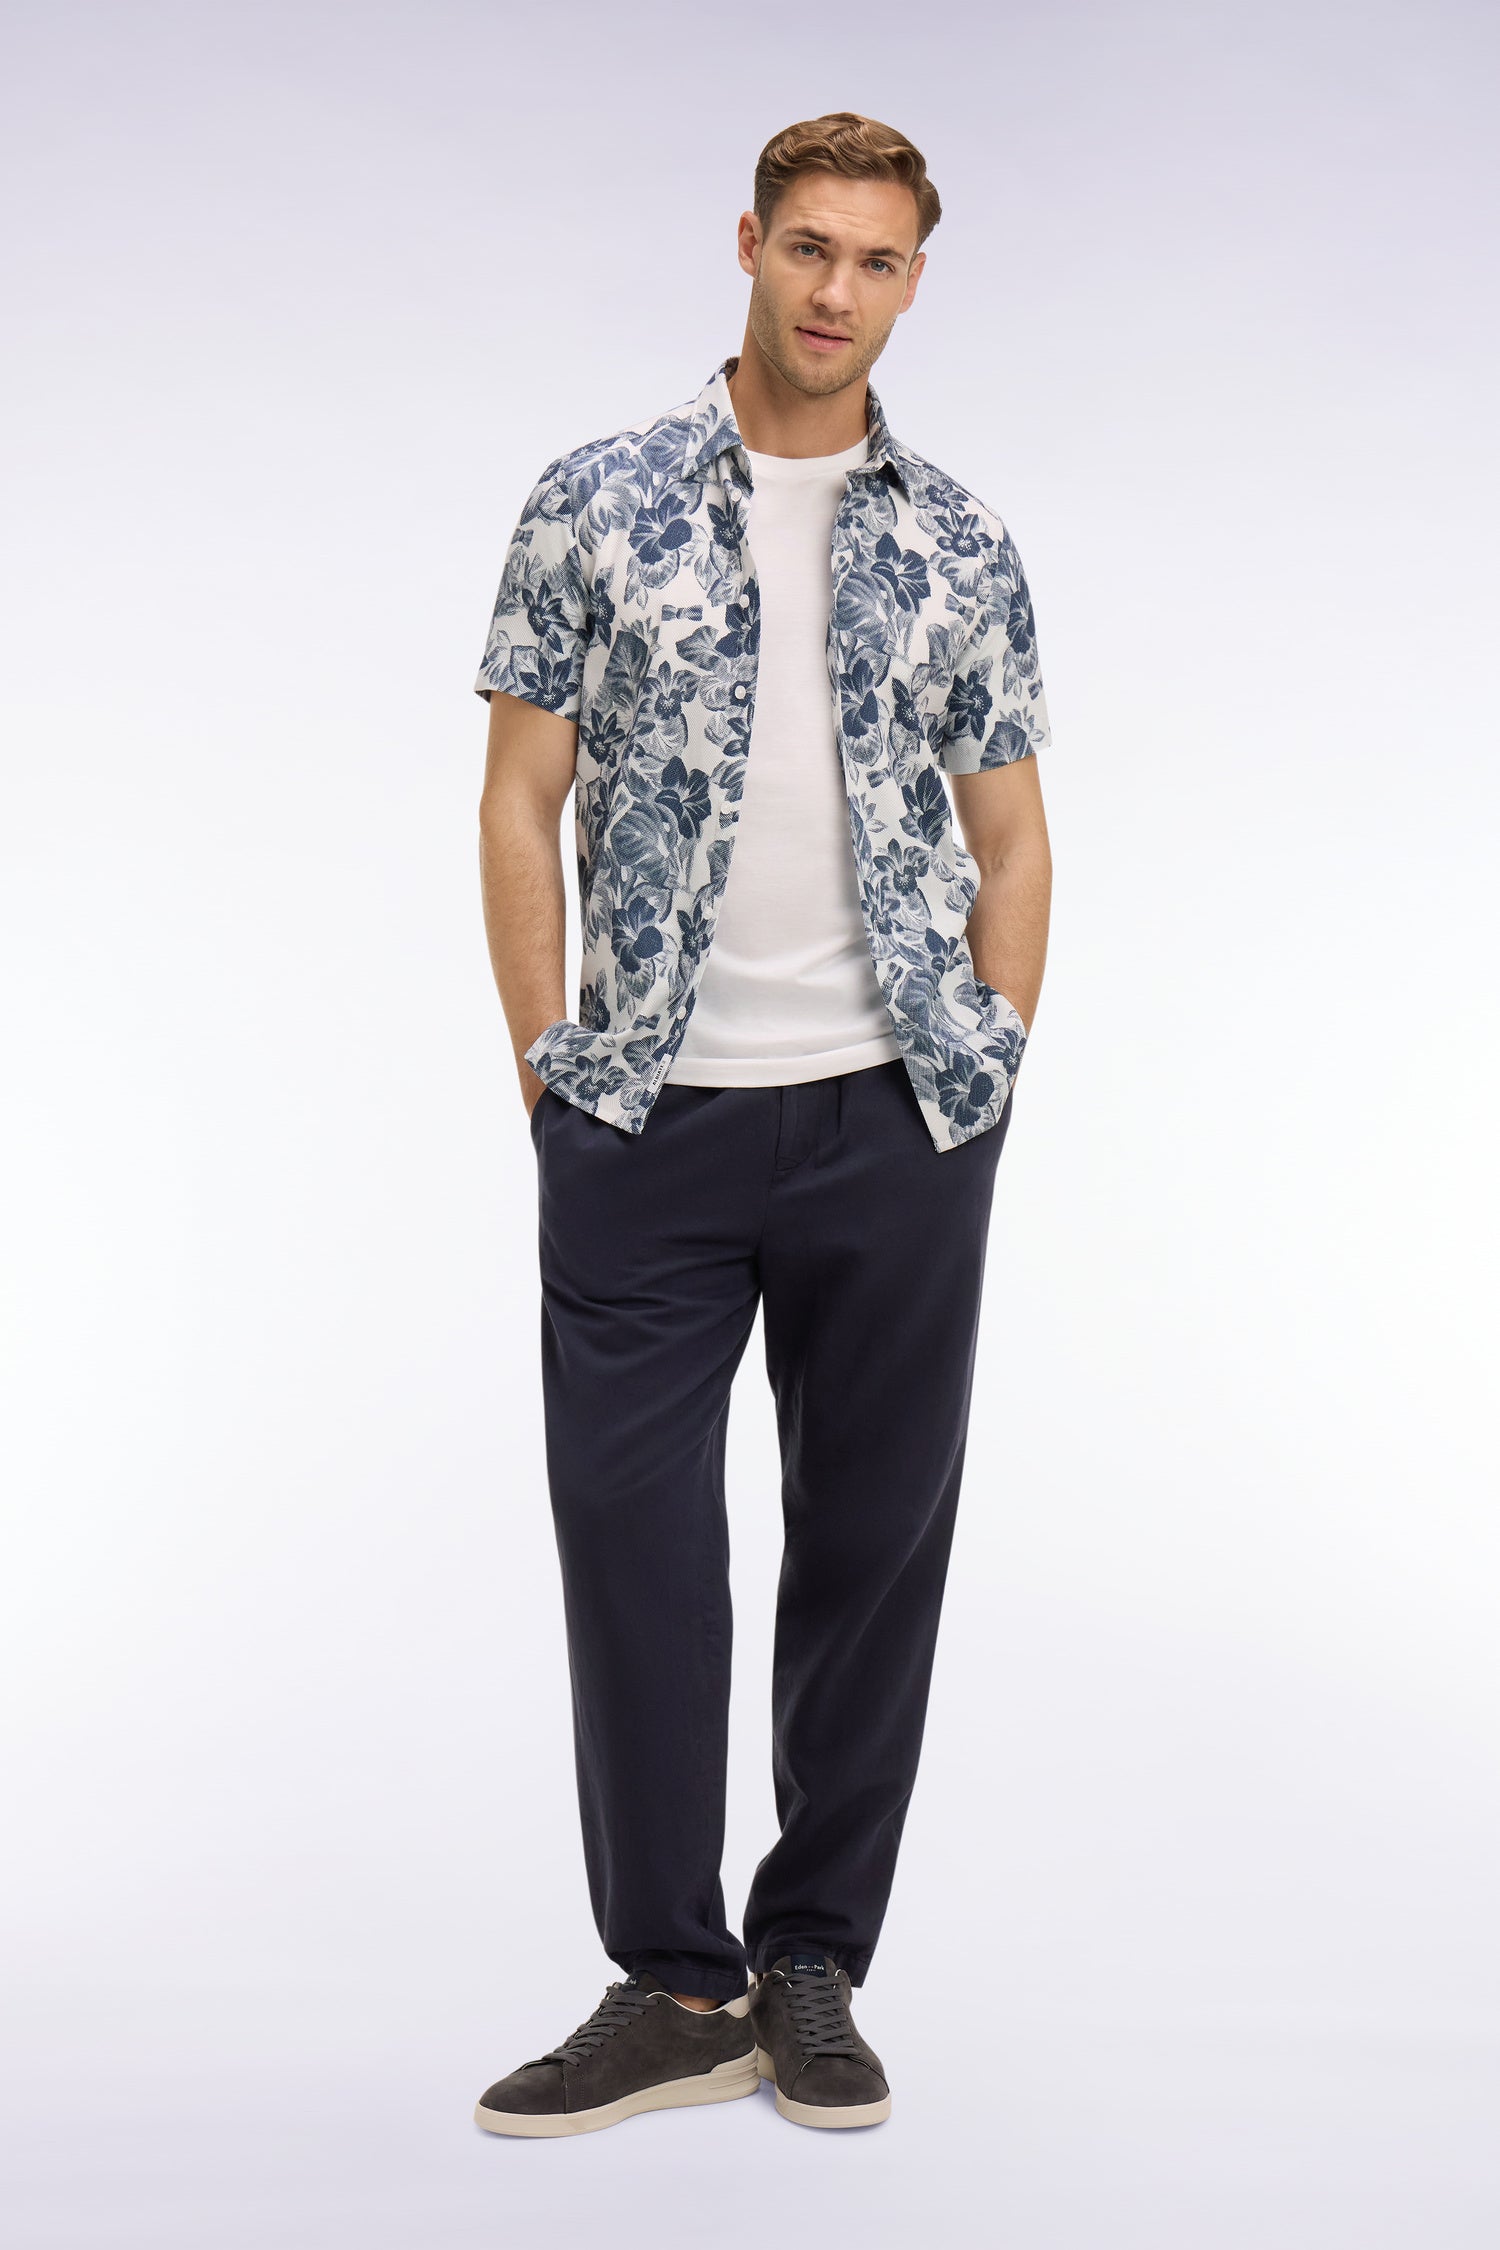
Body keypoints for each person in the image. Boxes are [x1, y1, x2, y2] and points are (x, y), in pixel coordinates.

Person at [471, 110, 1053, 2138]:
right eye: (809, 247)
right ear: (747, 244)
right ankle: (673, 1977)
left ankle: (811, 1960)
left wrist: (985, 1067)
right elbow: (520, 797)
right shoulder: (597, 500)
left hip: (896, 1116)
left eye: (877, 261)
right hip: (646, 1119)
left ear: (914, 283)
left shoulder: (961, 540)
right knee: (634, 1550)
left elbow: (1013, 835)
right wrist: (548, 1067)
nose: (836, 291)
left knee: (872, 1547)